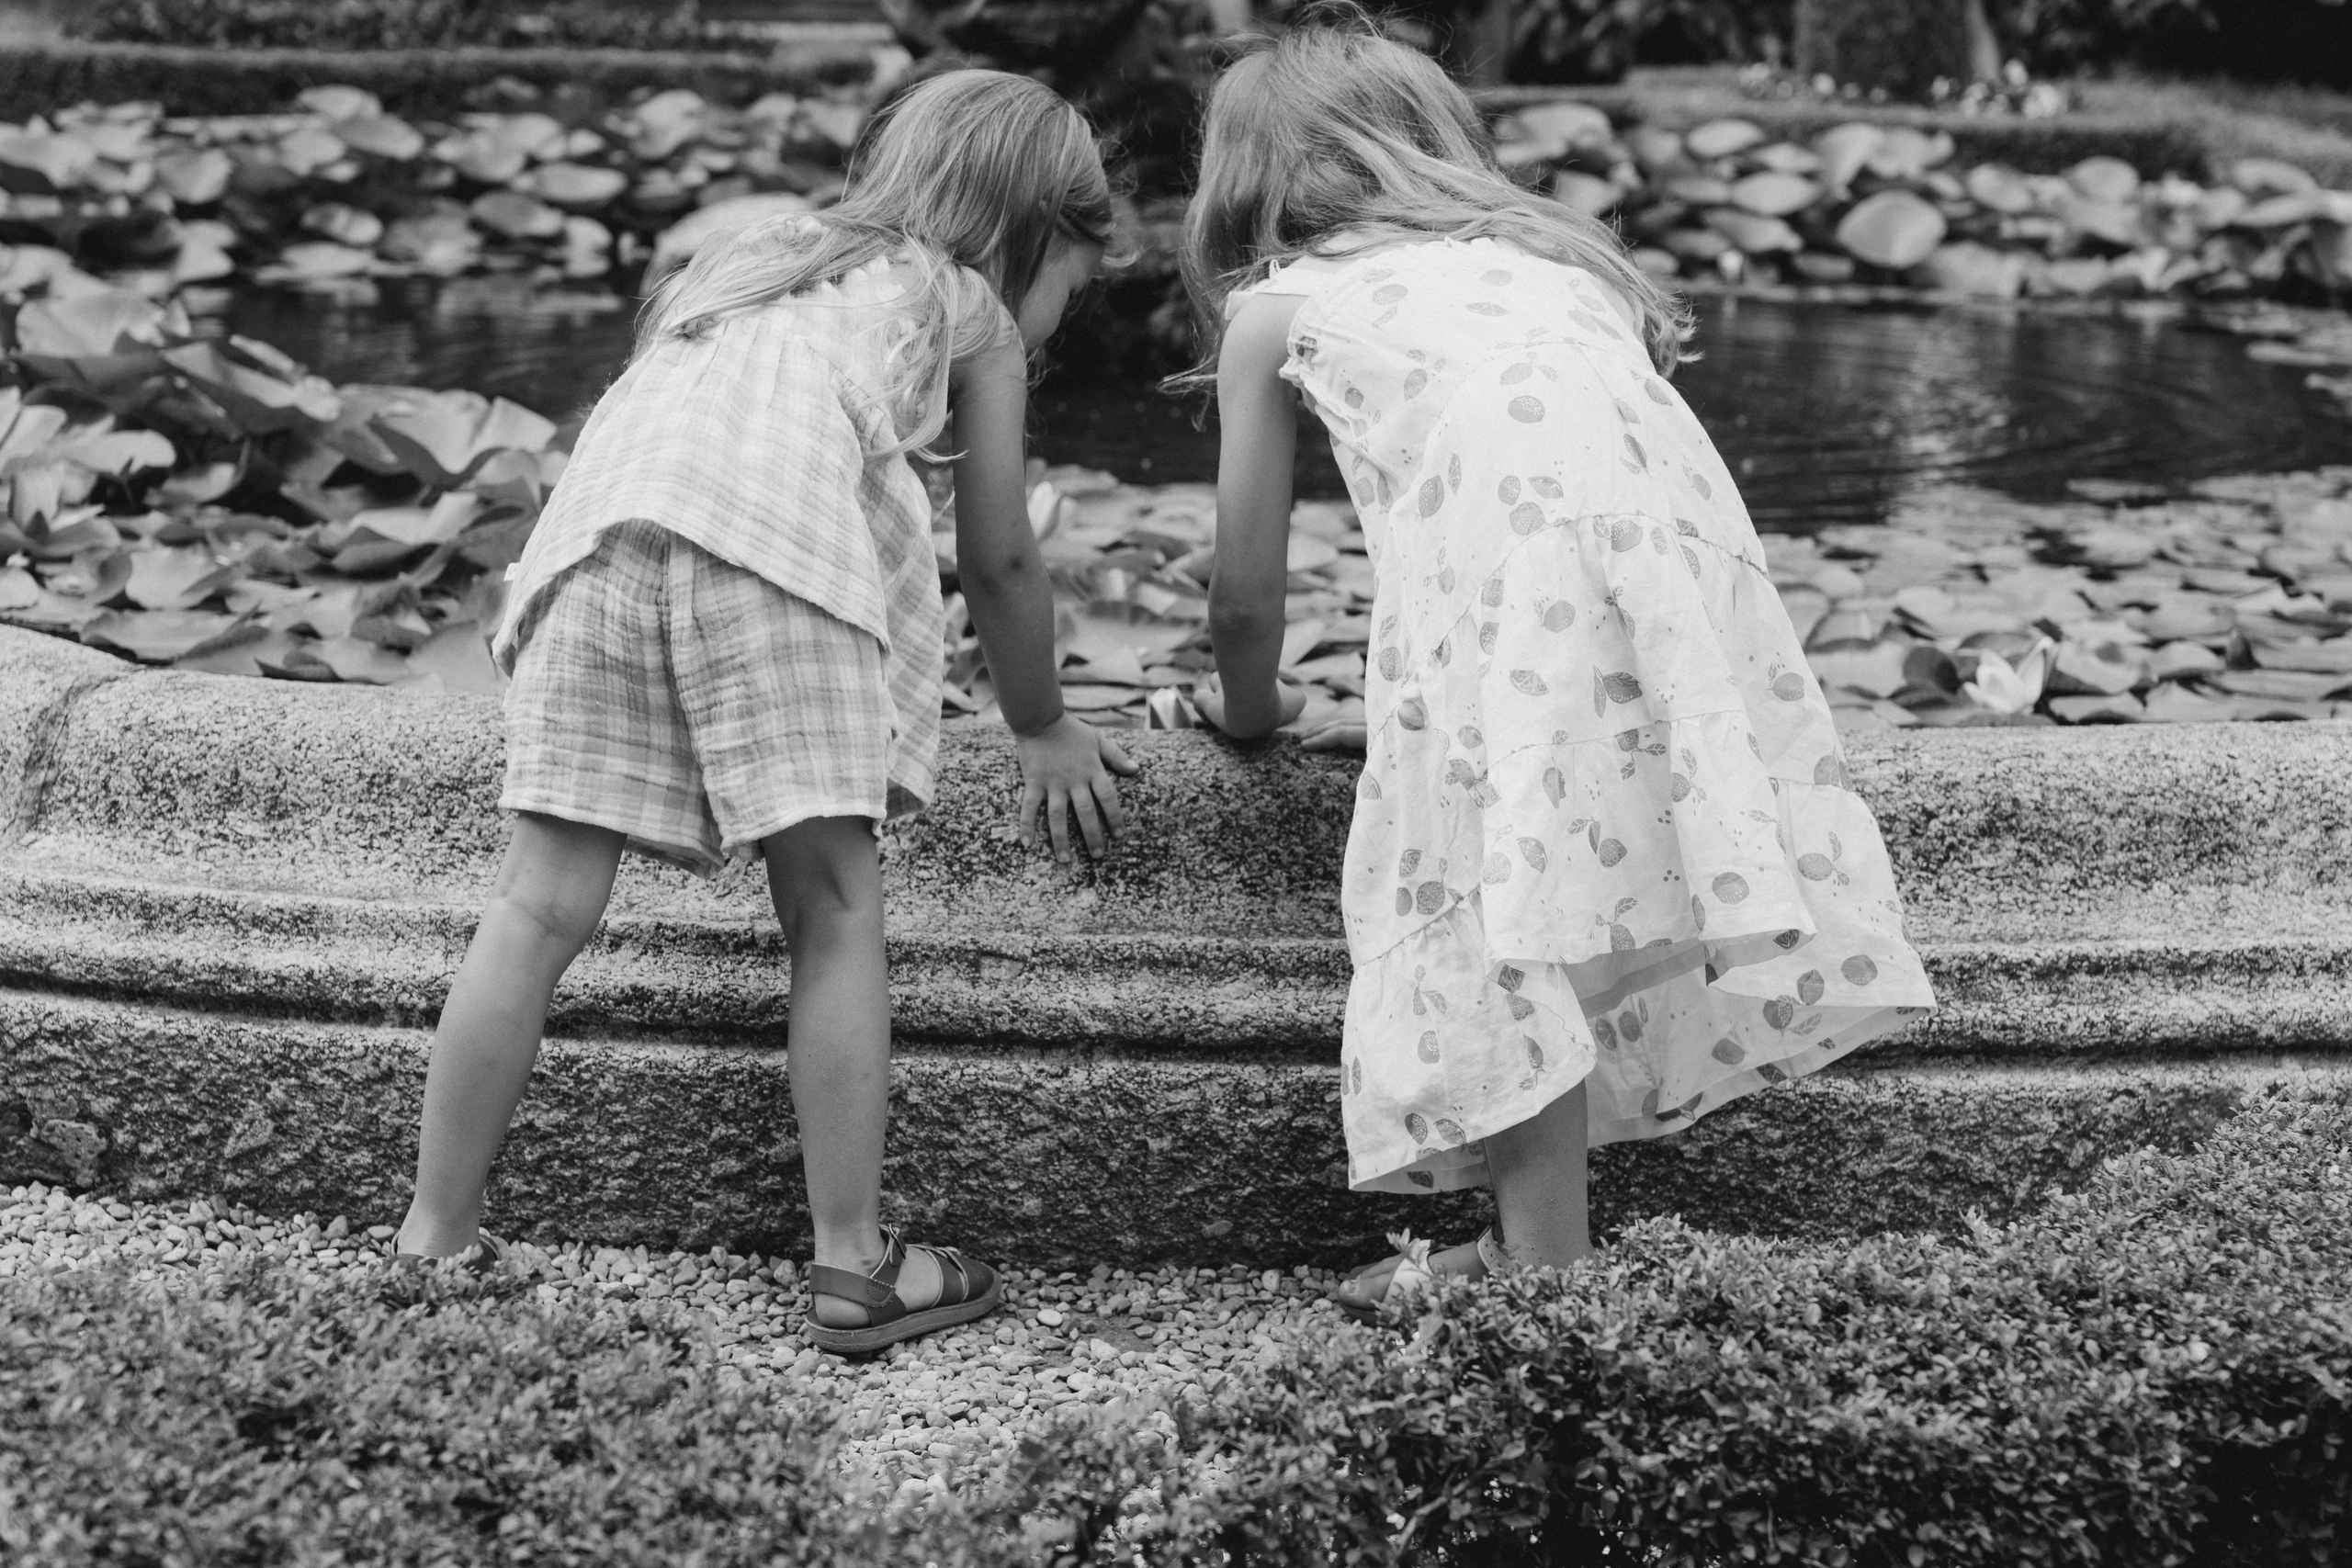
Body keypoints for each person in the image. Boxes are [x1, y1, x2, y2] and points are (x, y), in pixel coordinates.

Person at [1183, 11, 1935, 1319]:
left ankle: (1545, 1266)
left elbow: (1246, 598)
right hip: (1682, 577)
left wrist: (1249, 711)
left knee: (1503, 892)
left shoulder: (1279, 310)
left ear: (1248, 178)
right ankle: (1538, 1238)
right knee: (1564, 863)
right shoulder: (1557, 266)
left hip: (1513, 584)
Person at [389, 70, 1138, 1356]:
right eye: (1076, 270)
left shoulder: (745, 255)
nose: (1064, 310)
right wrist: (1040, 722)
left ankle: (431, 1239)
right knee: (833, 907)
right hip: (776, 554)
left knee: (537, 903)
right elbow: (1003, 556)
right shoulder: (972, 311)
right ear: (1032, 230)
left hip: (594, 547)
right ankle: (856, 1263)